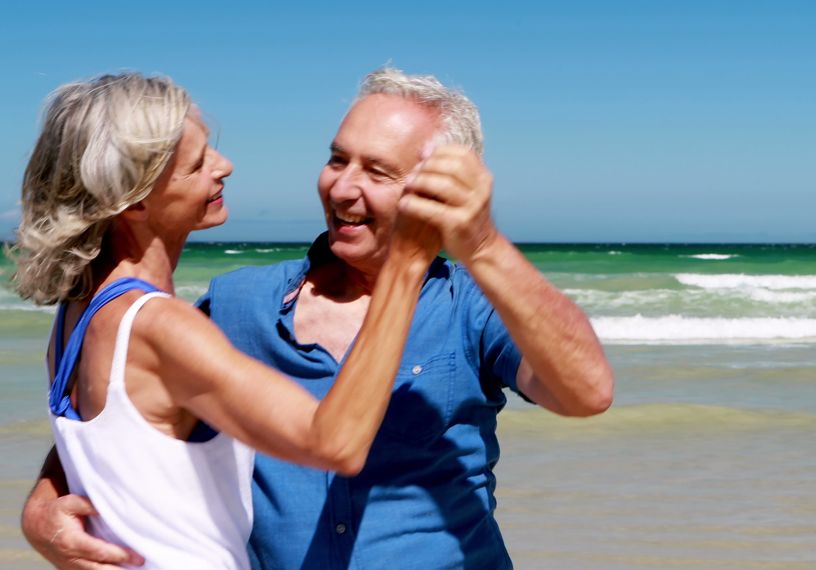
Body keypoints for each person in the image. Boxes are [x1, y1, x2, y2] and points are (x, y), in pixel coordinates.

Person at [22, 67, 615, 569]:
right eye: (337, 160)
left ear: (439, 189)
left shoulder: (472, 306)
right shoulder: (234, 304)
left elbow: (587, 392)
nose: (343, 188)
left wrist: (482, 244)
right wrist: (46, 503)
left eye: (377, 172)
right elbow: (128, 410)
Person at [13, 72, 441, 569]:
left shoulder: (78, 314)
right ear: (134, 201)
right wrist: (408, 267)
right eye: (197, 165)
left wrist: (40, 505)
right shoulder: (161, 327)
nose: (225, 166)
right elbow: (335, 443)